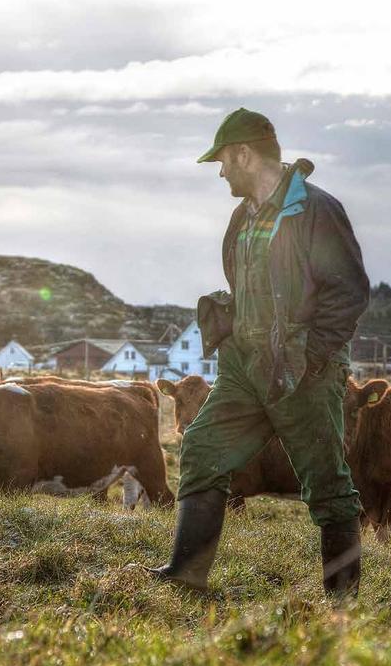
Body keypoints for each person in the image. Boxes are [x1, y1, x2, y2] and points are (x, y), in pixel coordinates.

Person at [149, 108, 369, 597]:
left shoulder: (317, 210)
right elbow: (245, 283)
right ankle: (186, 575)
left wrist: (311, 355)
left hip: (304, 372)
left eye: (224, 160)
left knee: (328, 485)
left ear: (244, 154)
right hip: (244, 369)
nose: (221, 171)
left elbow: (348, 291)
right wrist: (232, 322)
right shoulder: (241, 217)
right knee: (203, 446)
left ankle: (343, 607)